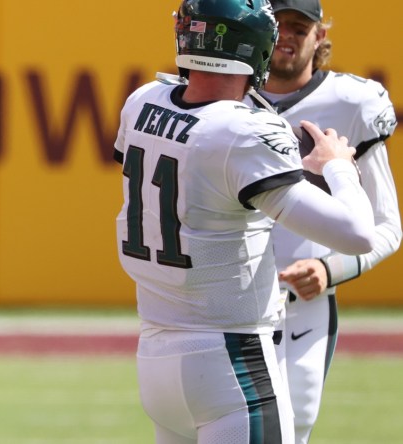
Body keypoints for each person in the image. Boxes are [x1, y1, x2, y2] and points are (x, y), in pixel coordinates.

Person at [114, 0, 377, 442]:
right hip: (229, 361)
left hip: (156, 352)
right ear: (253, 45)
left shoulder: (143, 101)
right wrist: (338, 166)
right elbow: (357, 234)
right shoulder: (244, 133)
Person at [245, 0, 401, 442]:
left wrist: (327, 269)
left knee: (289, 434)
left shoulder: (352, 103)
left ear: (321, 36)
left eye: (300, 26)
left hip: (302, 306)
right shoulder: (224, 97)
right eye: (278, 25)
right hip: (227, 301)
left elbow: (387, 226)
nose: (287, 36)